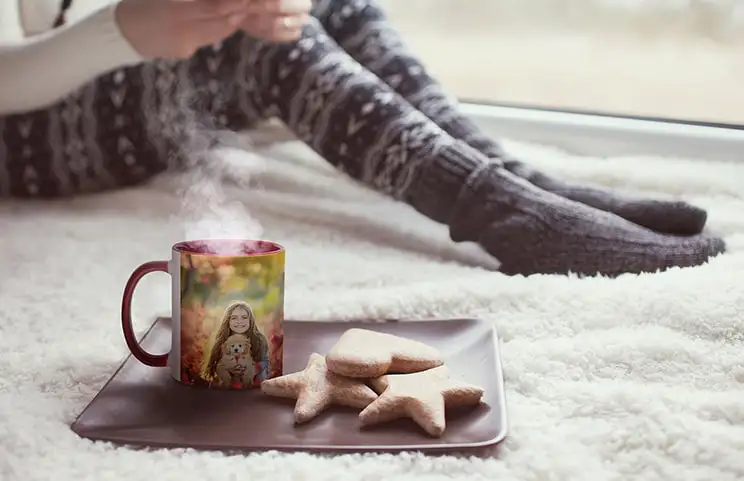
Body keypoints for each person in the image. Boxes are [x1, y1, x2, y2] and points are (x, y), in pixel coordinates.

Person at [0, 0, 726, 276]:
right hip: (16, 131)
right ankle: (502, 212)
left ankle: (519, 181)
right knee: (263, 54)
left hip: (100, 66)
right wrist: (124, 28)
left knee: (327, 5)